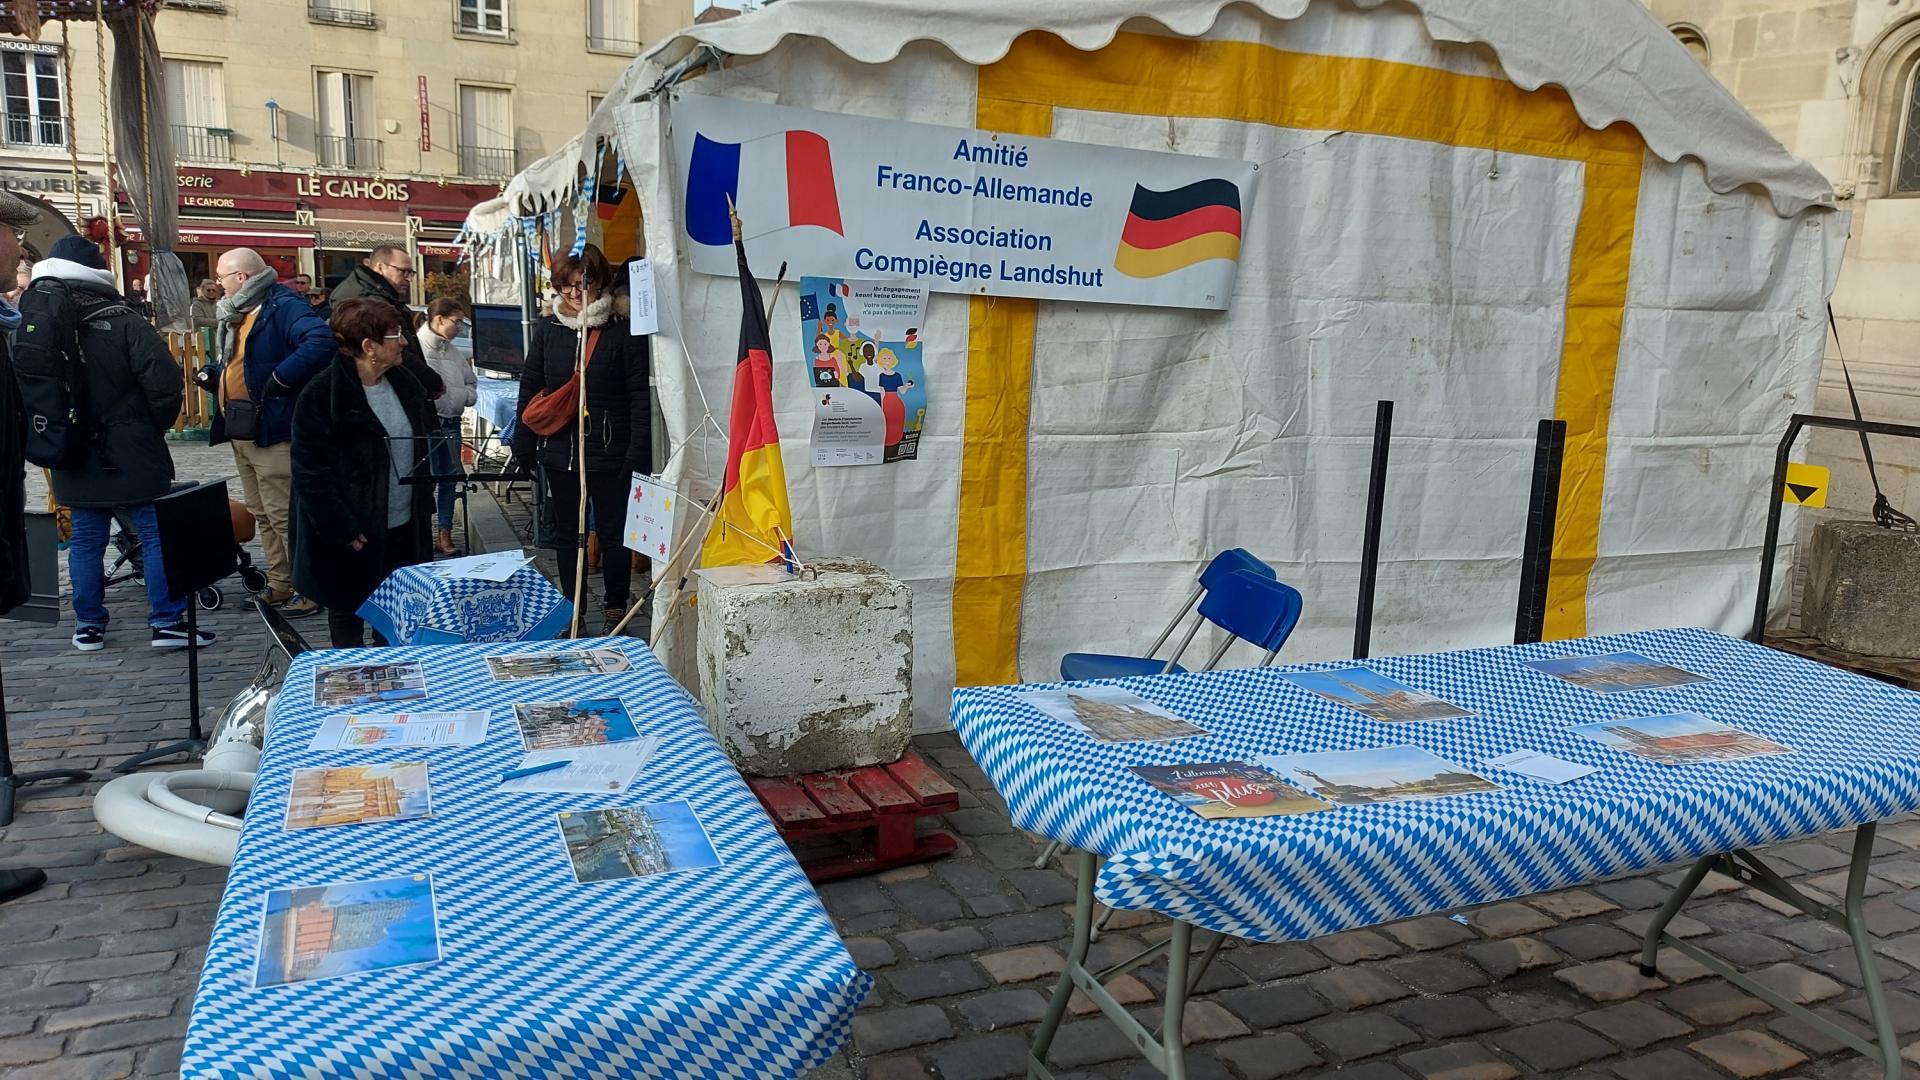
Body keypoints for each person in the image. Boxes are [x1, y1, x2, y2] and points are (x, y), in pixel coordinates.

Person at [31, 237, 211, 650]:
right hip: (129, 446)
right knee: (154, 534)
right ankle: (166, 621)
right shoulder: (123, 320)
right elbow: (165, 384)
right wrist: (149, 429)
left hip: (70, 446)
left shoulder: (42, 321)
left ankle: (88, 625)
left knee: (86, 540)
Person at [513, 244, 651, 633]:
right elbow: (532, 384)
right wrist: (523, 439)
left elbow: (639, 394)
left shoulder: (621, 331)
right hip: (561, 448)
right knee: (566, 534)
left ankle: (614, 604)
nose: (574, 293)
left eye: (583, 283)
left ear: (601, 281)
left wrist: (636, 452)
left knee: (612, 532)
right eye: (566, 285)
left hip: (610, 447)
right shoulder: (550, 329)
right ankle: (572, 608)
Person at [290, 298, 432, 649]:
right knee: (348, 611)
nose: (402, 342)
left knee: (396, 612)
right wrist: (343, 529)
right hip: (353, 531)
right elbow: (310, 473)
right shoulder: (322, 395)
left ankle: (393, 683)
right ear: (369, 347)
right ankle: (353, 688)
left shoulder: (404, 382)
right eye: (395, 335)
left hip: (402, 524)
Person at [204, 247, 334, 618]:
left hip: (272, 428)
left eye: (222, 276)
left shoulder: (281, 305)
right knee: (262, 511)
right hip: (242, 426)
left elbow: (320, 342)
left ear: (242, 278)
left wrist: (279, 378)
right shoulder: (238, 311)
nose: (218, 283)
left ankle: (309, 588)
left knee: (284, 514)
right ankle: (281, 582)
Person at [329, 244, 443, 401]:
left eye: (410, 273)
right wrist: (431, 382)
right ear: (380, 267)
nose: (407, 279)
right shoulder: (369, 302)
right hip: (378, 389)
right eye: (403, 271)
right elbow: (395, 350)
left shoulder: (380, 296)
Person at [417, 297, 476, 554]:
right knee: (424, 479)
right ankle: (423, 533)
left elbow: (471, 382)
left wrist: (464, 396)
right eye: (457, 322)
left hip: (451, 421)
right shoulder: (418, 346)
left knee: (449, 478)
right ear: (439, 319)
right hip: (427, 423)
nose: (460, 328)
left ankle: (445, 533)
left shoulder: (453, 351)